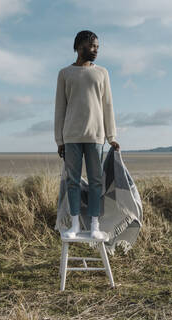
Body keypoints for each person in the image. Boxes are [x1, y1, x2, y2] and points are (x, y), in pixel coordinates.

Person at [54, 30, 120, 239]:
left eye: (97, 47)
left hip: (96, 136)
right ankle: (74, 225)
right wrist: (59, 139)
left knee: (96, 182)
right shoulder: (65, 73)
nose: (95, 51)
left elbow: (107, 105)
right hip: (71, 136)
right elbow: (59, 108)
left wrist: (112, 136)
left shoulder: (102, 72)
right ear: (79, 46)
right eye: (92, 47)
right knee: (72, 182)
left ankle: (94, 225)